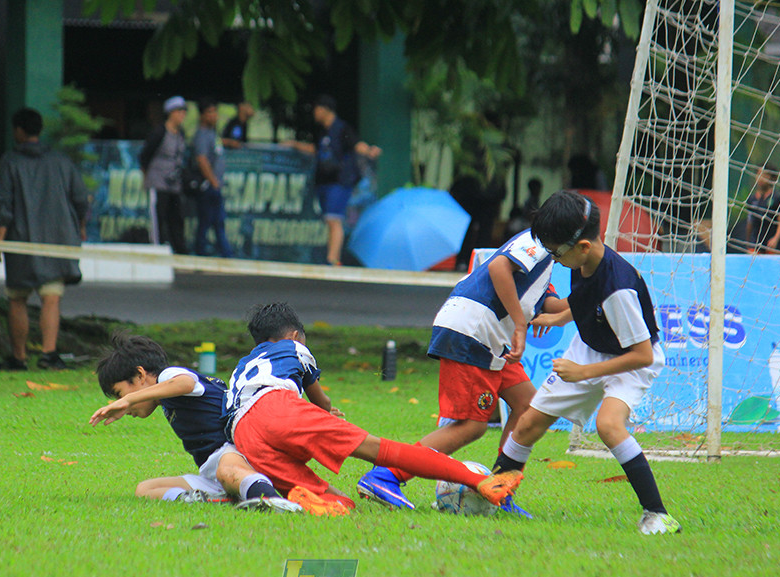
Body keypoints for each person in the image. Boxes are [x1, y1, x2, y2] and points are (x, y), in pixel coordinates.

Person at [491, 190, 681, 535]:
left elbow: (643, 354)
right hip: (590, 347)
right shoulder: (584, 260)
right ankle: (496, 496)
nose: (553, 258)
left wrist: (583, 373)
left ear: (581, 247)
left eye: (555, 253)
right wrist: (560, 317)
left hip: (630, 359)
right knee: (528, 424)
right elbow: (583, 299)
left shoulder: (618, 288)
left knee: (609, 425)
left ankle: (658, 514)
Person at [222, 303, 525, 516]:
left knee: (340, 503)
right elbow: (321, 400)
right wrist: (327, 412)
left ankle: (305, 504)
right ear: (294, 336)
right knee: (381, 450)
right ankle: (477, 480)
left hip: (244, 435)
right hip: (276, 407)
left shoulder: (241, 366)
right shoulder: (293, 348)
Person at [356, 229, 568, 513]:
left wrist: (593, 295)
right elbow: (498, 266)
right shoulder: (536, 241)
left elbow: (552, 305)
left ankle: (499, 488)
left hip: (494, 340)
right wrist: (520, 322)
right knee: (471, 426)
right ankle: (386, 475)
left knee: (529, 407)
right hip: (475, 331)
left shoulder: (549, 260)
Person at [89, 333, 301, 512]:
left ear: (140, 374)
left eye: (119, 394)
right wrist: (128, 400)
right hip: (211, 469)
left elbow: (186, 383)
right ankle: (216, 499)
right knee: (145, 489)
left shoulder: (169, 375)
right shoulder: (165, 396)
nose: (121, 405)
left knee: (228, 471)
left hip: (234, 452)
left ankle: (272, 501)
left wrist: (128, 400)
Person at [0, 107, 88, 371]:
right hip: (57, 239)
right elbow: (80, 197)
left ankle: (19, 357)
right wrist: (80, 227)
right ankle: (49, 354)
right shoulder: (61, 161)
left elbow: (3, 204)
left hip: (20, 240)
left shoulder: (10, 162)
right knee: (51, 297)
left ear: (19, 131)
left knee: (17, 298)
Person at [283, 95, 381, 265]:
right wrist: (294, 144)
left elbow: (356, 145)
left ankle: (333, 259)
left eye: (316, 108)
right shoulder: (323, 132)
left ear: (324, 109)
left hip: (339, 181)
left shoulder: (342, 129)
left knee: (333, 219)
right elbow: (315, 149)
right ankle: (331, 257)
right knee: (329, 219)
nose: (314, 112)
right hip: (323, 182)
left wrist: (369, 151)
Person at [139, 95, 189, 254]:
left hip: (174, 184)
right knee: (158, 217)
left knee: (177, 217)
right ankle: (158, 248)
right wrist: (147, 178)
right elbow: (144, 156)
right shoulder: (160, 132)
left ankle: (179, 250)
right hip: (158, 182)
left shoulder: (181, 134)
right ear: (171, 113)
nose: (182, 115)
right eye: (179, 112)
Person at [190, 97, 234, 258]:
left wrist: (229, 142)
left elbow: (215, 146)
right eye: (210, 112)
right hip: (208, 186)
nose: (214, 115)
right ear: (202, 115)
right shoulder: (201, 134)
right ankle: (201, 253)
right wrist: (213, 181)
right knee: (206, 221)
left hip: (215, 185)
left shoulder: (212, 133)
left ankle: (226, 255)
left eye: (215, 111)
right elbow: (202, 159)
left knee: (218, 222)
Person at [745, 165, 780, 254]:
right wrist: (748, 242)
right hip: (755, 242)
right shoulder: (752, 199)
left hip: (772, 243)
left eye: (764, 175)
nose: (760, 178)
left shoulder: (777, 197)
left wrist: (776, 238)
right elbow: (750, 222)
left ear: (771, 178)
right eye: (758, 174)